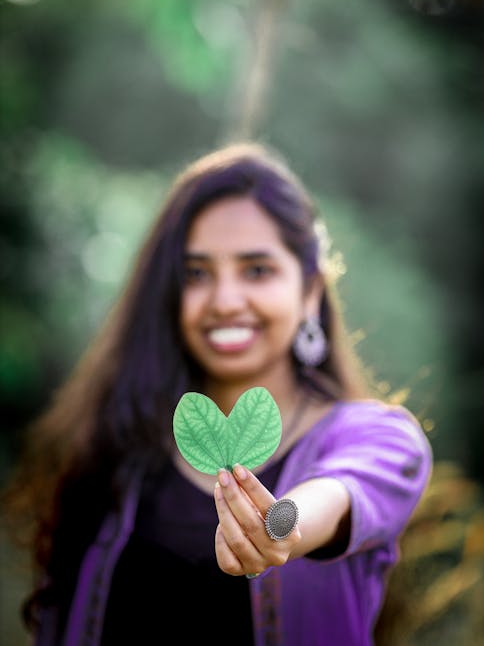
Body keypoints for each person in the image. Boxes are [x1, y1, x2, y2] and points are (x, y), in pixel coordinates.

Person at [3, 141, 432, 646]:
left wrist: (280, 524)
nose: (226, 301)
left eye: (257, 270)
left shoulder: (376, 437)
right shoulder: (113, 441)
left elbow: (339, 493)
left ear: (310, 291)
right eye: (197, 274)